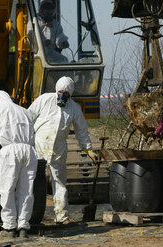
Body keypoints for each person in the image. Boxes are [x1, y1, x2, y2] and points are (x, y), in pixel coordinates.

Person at [28, 76, 99, 224]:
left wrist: (89, 150)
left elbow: (82, 131)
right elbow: (28, 117)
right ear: (56, 90)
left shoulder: (74, 108)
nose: (62, 95)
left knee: (59, 183)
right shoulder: (44, 99)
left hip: (58, 150)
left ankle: (61, 216)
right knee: (31, 180)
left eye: (66, 94)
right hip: (39, 146)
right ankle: (28, 215)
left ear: (70, 94)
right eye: (60, 92)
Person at [0, 91, 38, 238]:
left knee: (7, 189)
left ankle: (9, 228)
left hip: (10, 151)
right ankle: (23, 227)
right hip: (29, 151)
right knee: (26, 190)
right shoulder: (25, 111)